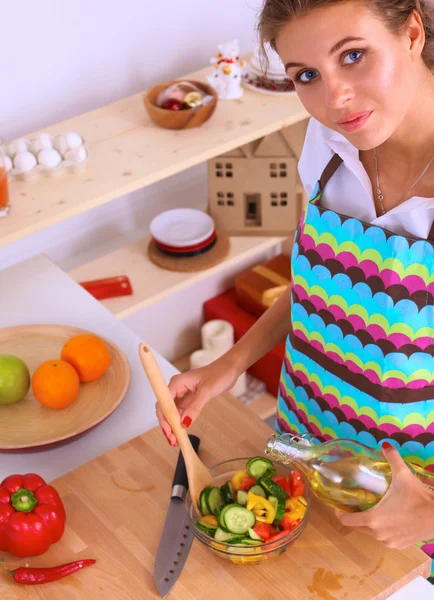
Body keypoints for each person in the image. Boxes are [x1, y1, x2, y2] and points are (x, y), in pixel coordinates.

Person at [157, 0, 434, 578]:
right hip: (303, 444)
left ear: (411, 31)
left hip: (409, 507)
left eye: (353, 56)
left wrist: (430, 517)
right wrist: (230, 365)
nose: (334, 98)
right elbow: (319, 287)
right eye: (306, 75)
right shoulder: (328, 143)